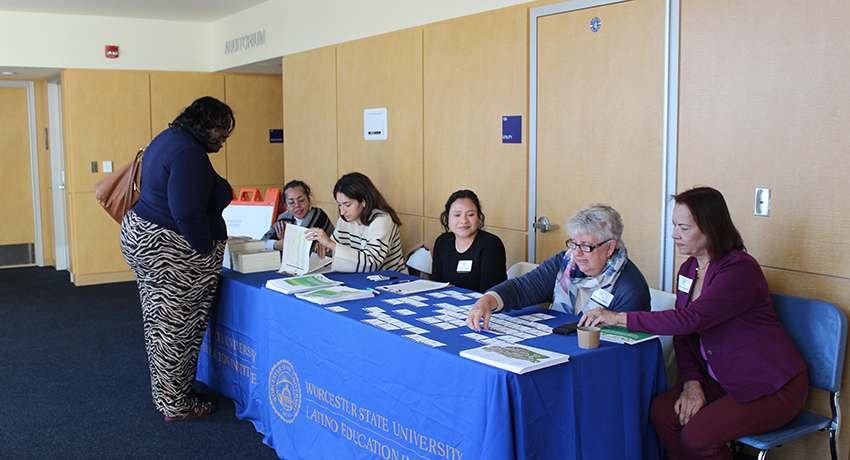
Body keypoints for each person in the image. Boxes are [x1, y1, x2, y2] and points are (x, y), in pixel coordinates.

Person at [579, 187, 807, 460]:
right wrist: (692, 382)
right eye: (674, 225)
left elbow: (689, 320)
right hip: (722, 377)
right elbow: (684, 336)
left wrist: (617, 317)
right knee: (663, 413)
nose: (674, 234)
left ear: (711, 228)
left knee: (699, 437)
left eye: (684, 228)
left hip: (770, 384)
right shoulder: (688, 270)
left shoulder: (739, 270)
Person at [120, 96, 235, 422]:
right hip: (171, 251)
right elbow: (187, 213)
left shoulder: (171, 137)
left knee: (161, 324)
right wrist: (203, 252)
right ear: (205, 124)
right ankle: (177, 405)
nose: (222, 140)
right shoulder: (189, 154)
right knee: (177, 329)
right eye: (220, 132)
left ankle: (172, 391)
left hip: (147, 238)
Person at [466, 204, 650, 332]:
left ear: (610, 247)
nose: (577, 253)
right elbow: (522, 288)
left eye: (586, 246)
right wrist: (486, 301)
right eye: (574, 243)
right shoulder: (565, 263)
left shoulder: (630, 287)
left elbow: (624, 344)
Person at [306, 172, 407, 273]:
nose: (342, 211)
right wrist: (323, 246)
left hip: (391, 281)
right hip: (359, 278)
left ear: (363, 201)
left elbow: (372, 264)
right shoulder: (344, 220)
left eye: (347, 205)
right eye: (339, 205)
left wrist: (331, 244)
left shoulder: (382, 220)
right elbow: (334, 252)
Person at [430, 190, 506, 292]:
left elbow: (489, 294)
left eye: (470, 214)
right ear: (447, 217)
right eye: (457, 215)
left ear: (479, 217)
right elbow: (437, 285)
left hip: (482, 305)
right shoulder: (442, 242)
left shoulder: (491, 245)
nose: (464, 220)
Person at [261, 180, 334, 251]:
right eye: (291, 202)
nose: (297, 205)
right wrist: (278, 244)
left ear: (309, 200)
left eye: (301, 200)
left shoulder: (318, 215)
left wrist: (285, 241)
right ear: (286, 205)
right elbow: (262, 242)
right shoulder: (284, 217)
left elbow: (300, 247)